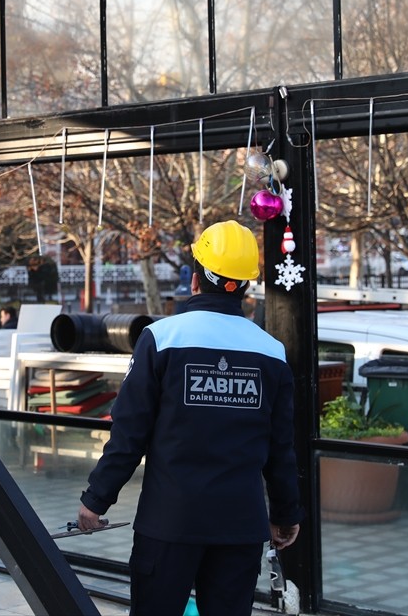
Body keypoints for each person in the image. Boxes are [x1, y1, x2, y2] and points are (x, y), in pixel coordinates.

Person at [77, 220, 302, 615]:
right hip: (239, 526)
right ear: (245, 287)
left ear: (196, 279)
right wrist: (285, 514)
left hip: (170, 524)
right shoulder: (271, 352)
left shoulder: (162, 338)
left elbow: (129, 433)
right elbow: (280, 447)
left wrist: (97, 499)